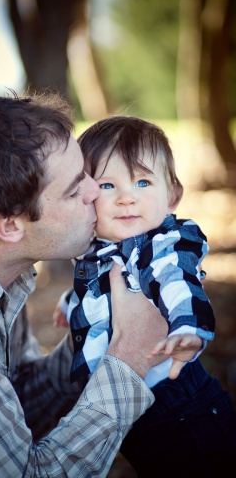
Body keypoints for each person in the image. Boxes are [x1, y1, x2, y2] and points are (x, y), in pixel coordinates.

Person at [0, 94, 170, 478]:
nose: (94, 192)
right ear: (10, 226)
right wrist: (128, 359)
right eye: (73, 190)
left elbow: (16, 403)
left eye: (86, 172)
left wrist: (91, 338)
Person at [53, 116, 236, 477]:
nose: (126, 197)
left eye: (142, 181)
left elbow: (176, 282)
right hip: (132, 414)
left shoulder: (160, 247)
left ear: (173, 195)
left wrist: (188, 328)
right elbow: (97, 290)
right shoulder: (99, 250)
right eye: (107, 185)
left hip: (182, 408)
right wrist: (68, 305)